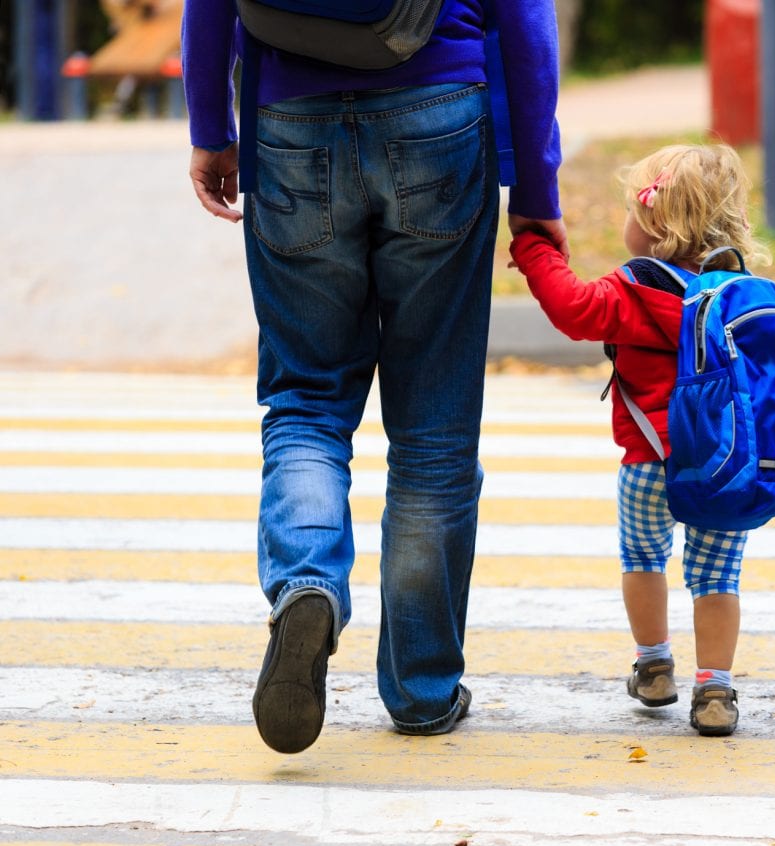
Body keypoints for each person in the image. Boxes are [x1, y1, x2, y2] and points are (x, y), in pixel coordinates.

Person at [182, 0, 566, 753]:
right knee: (434, 426)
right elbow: (525, 20)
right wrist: (536, 188)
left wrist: (210, 128)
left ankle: (306, 582)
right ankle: (421, 689)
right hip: (439, 112)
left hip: (289, 117)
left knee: (306, 398)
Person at [508, 143, 768, 737]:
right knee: (718, 578)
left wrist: (533, 247)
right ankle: (715, 688)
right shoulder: (740, 296)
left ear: (653, 223)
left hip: (649, 463)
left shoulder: (638, 289)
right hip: (725, 468)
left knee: (643, 559)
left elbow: (573, 309)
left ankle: (653, 663)